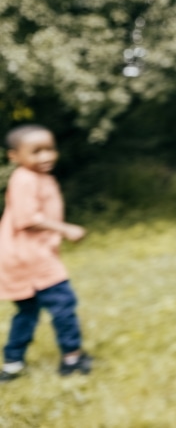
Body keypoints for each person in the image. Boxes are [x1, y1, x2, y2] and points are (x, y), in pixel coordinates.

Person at [0, 124, 93, 383]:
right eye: (36, 151)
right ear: (14, 156)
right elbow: (27, 218)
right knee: (63, 304)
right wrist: (66, 229)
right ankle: (72, 359)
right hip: (31, 259)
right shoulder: (24, 179)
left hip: (21, 258)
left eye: (50, 149)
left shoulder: (40, 177)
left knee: (27, 312)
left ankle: (13, 363)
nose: (46, 156)